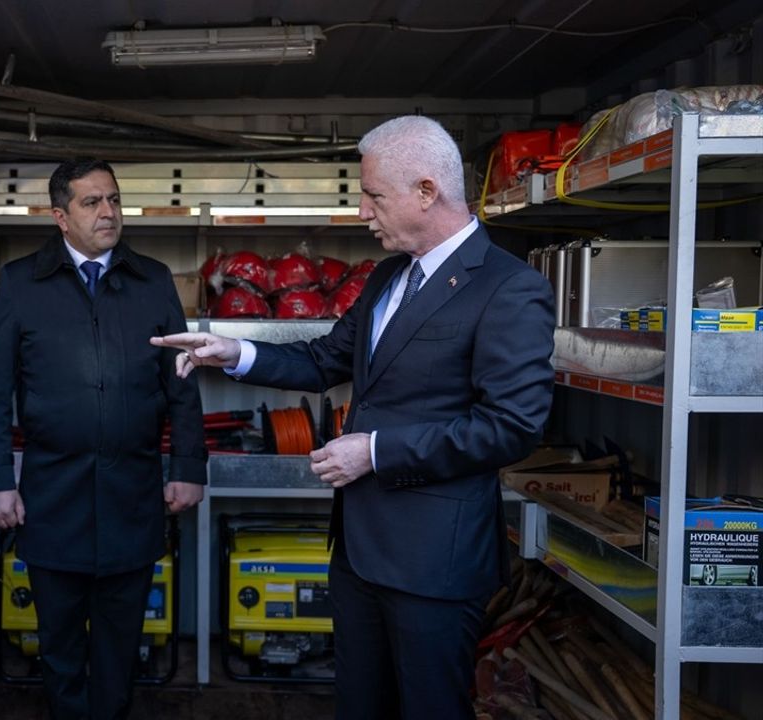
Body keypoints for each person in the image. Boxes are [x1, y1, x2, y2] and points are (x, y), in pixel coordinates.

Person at [152, 116, 555, 720]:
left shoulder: (507, 287)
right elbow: (325, 359)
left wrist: (376, 451)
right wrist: (235, 353)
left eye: (373, 196)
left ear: (426, 191)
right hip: (360, 551)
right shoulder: (389, 275)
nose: (362, 211)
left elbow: (513, 425)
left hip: (434, 564)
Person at [0, 158, 207, 719]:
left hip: (133, 489)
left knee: (121, 640)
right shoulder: (21, 282)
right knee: (59, 641)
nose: (108, 212)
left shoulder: (152, 279)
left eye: (114, 200)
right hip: (54, 493)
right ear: (60, 216)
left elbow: (183, 381)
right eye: (91, 202)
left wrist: (190, 467)